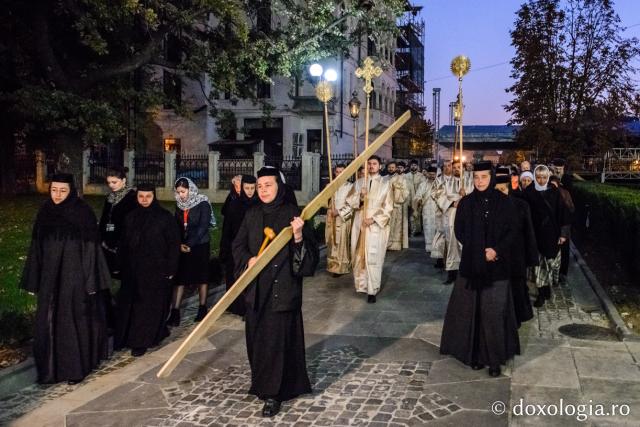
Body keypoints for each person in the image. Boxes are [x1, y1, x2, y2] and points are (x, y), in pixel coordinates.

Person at [232, 167, 319, 417]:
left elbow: (308, 260)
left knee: (278, 343)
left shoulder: (293, 214)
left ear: (279, 187)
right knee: (258, 342)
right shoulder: (251, 214)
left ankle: (274, 394)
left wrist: (299, 236)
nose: (263, 190)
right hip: (257, 292)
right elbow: (236, 246)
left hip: (282, 290)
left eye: (268, 185)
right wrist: (248, 260)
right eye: (259, 187)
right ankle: (262, 385)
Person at [21, 173, 110, 384]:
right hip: (50, 278)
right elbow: (36, 248)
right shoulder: (45, 212)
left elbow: (91, 251)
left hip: (74, 277)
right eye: (54, 190)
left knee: (72, 319)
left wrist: (91, 281)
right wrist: (35, 278)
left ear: (71, 191)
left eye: (63, 191)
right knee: (48, 319)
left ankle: (75, 370)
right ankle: (50, 371)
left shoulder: (83, 213)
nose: (57, 195)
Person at [440, 162, 520, 377]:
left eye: (484, 177)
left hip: (497, 267)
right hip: (472, 265)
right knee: (471, 313)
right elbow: (460, 231)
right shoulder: (466, 202)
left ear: (491, 178)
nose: (480, 181)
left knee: (493, 314)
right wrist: (476, 249)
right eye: (476, 178)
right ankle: (474, 356)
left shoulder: (504, 203)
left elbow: (513, 231)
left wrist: (496, 250)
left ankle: (494, 360)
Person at [115, 184, 181, 356]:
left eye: (148, 197)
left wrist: (171, 269)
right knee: (131, 305)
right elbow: (123, 243)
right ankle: (128, 337)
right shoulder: (130, 217)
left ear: (154, 197)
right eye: (141, 196)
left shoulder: (164, 218)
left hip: (155, 271)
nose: (144, 200)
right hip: (132, 270)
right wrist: (119, 265)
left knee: (149, 307)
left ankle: (143, 340)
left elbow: (173, 246)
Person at [168, 177, 215, 326]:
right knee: (180, 278)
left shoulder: (202, 202)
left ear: (191, 189)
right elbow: (176, 225)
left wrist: (190, 243)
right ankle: (175, 312)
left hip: (200, 245)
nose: (181, 195)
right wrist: (179, 243)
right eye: (178, 192)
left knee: (202, 276)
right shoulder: (179, 205)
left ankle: (202, 308)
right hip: (183, 246)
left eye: (183, 191)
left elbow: (203, 226)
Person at [347, 155, 394, 303]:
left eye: (374, 164)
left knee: (373, 256)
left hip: (375, 226)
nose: (371, 166)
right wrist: (360, 197)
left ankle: (372, 289)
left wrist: (373, 219)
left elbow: (388, 207)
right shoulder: (359, 182)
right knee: (359, 254)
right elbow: (350, 202)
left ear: (380, 166)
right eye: (369, 164)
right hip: (360, 223)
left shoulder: (386, 183)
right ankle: (361, 285)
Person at [524, 165, 571, 307]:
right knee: (538, 266)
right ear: (535, 177)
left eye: (544, 177)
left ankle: (547, 288)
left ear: (548, 177)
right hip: (535, 235)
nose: (541, 180)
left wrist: (563, 234)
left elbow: (563, 212)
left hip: (552, 234)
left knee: (551, 265)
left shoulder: (554, 192)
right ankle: (541, 293)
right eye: (538, 177)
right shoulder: (529, 192)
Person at [495, 173, 538, 327]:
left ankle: (517, 319)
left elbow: (529, 232)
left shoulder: (521, 205)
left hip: (516, 255)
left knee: (517, 288)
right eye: (497, 189)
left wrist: (531, 257)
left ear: (508, 189)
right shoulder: (490, 206)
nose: (500, 193)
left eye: (503, 189)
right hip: (498, 257)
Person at [99, 167, 137, 331]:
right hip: (107, 245)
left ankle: (126, 316)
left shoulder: (131, 198)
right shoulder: (110, 198)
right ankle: (109, 315)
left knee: (126, 281)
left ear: (123, 181)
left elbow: (131, 223)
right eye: (109, 183)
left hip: (123, 246)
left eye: (114, 182)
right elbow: (104, 219)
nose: (112, 185)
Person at [220, 174, 258, 315]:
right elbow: (227, 228)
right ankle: (237, 306)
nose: (249, 191)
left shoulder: (259, 204)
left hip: (253, 248)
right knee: (235, 276)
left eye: (252, 188)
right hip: (236, 247)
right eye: (246, 188)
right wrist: (224, 248)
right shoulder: (234, 204)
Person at [434, 160, 465, 284]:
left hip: (466, 216)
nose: (457, 169)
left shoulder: (469, 180)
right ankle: (452, 273)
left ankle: (465, 272)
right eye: (455, 167)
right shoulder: (444, 182)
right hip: (450, 215)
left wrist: (465, 194)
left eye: (459, 167)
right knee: (451, 243)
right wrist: (452, 203)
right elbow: (437, 194)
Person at [326, 164, 354, 275]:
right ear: (334, 173)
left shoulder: (351, 187)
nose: (339, 174)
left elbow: (352, 204)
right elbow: (324, 202)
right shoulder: (331, 185)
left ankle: (341, 267)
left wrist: (339, 212)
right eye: (337, 172)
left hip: (342, 218)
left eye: (342, 171)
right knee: (331, 242)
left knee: (341, 242)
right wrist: (327, 192)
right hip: (331, 218)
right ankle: (332, 266)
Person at [549, 174, 575, 284]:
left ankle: (562, 274)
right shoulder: (549, 194)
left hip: (563, 228)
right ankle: (555, 275)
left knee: (564, 253)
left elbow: (570, 210)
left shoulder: (564, 194)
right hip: (553, 229)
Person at [414, 166, 439, 253]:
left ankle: (437, 246)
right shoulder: (423, 184)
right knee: (428, 227)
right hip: (427, 209)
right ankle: (429, 246)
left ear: (436, 174)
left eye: (434, 174)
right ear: (427, 174)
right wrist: (419, 199)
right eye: (430, 174)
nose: (432, 176)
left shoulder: (440, 184)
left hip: (437, 209)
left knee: (437, 228)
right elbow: (417, 195)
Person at [386, 161, 410, 251]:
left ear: (396, 168)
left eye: (392, 167)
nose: (391, 169)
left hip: (395, 205)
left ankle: (393, 245)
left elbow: (406, 192)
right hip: (384, 206)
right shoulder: (383, 178)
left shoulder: (401, 179)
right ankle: (385, 243)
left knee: (395, 225)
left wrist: (396, 190)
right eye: (389, 167)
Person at [405, 159, 426, 236]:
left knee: (418, 214)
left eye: (415, 165)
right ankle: (411, 230)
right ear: (410, 166)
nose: (413, 166)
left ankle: (418, 230)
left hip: (418, 198)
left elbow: (423, 187)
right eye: (412, 165)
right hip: (409, 198)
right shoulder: (406, 176)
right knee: (410, 214)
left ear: (417, 166)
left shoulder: (421, 176)